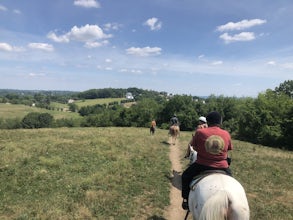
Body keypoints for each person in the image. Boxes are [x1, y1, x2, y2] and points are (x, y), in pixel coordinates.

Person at [181, 111, 233, 210]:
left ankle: (186, 200)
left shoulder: (200, 132)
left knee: (185, 176)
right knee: (232, 183)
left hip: (202, 165)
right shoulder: (226, 134)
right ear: (220, 122)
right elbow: (228, 148)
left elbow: (194, 147)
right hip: (223, 166)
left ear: (207, 122)